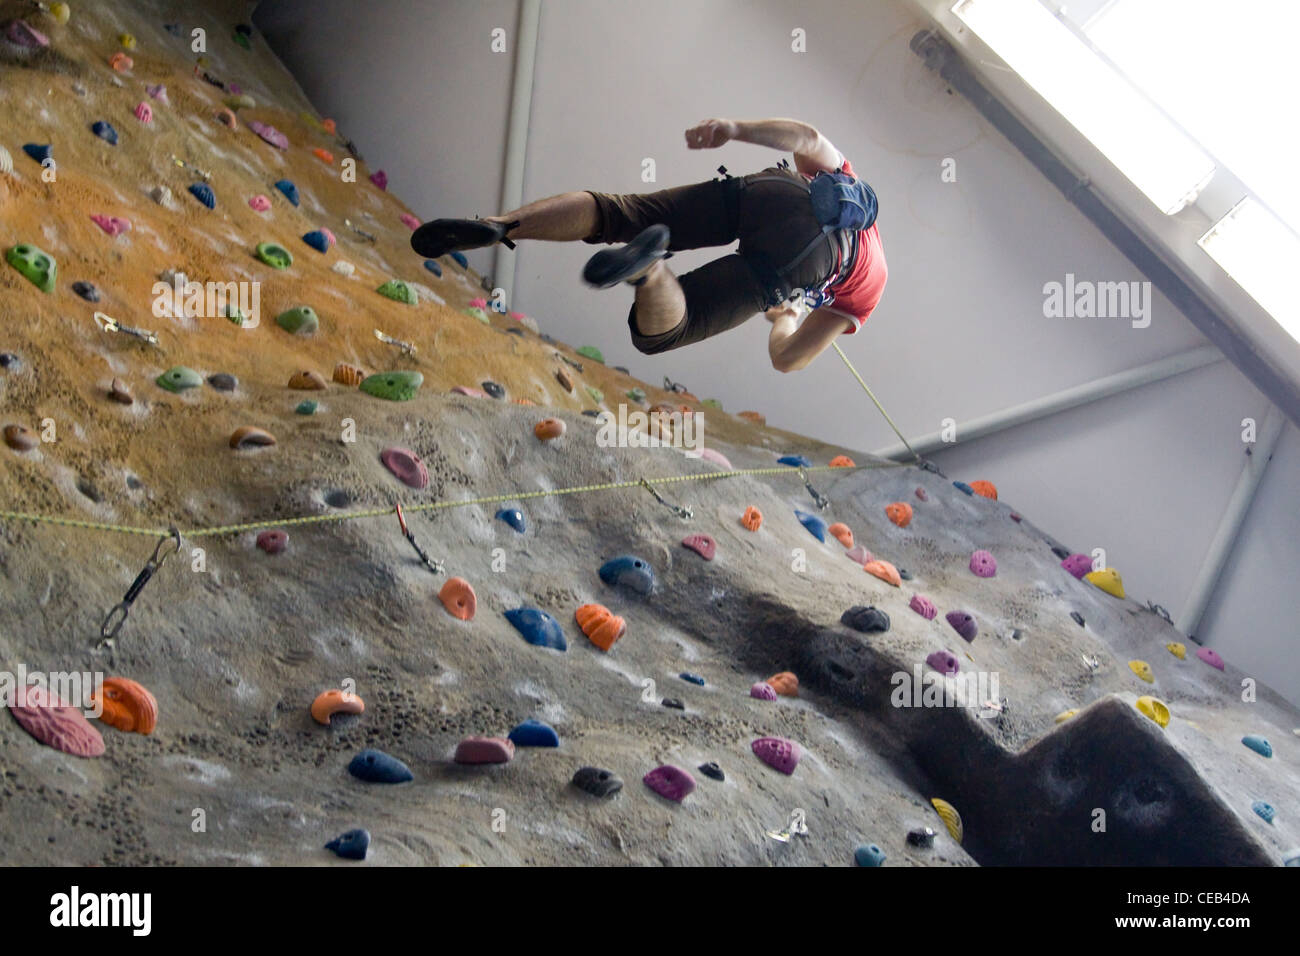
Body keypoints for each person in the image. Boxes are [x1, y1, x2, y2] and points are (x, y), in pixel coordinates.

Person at [410, 117, 887, 372]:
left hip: (781, 191)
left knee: (621, 211)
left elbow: (808, 137)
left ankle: (499, 225)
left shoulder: (849, 181)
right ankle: (649, 270)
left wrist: (735, 129)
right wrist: (787, 318)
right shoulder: (866, 292)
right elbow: (787, 359)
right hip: (809, 260)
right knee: (672, 328)